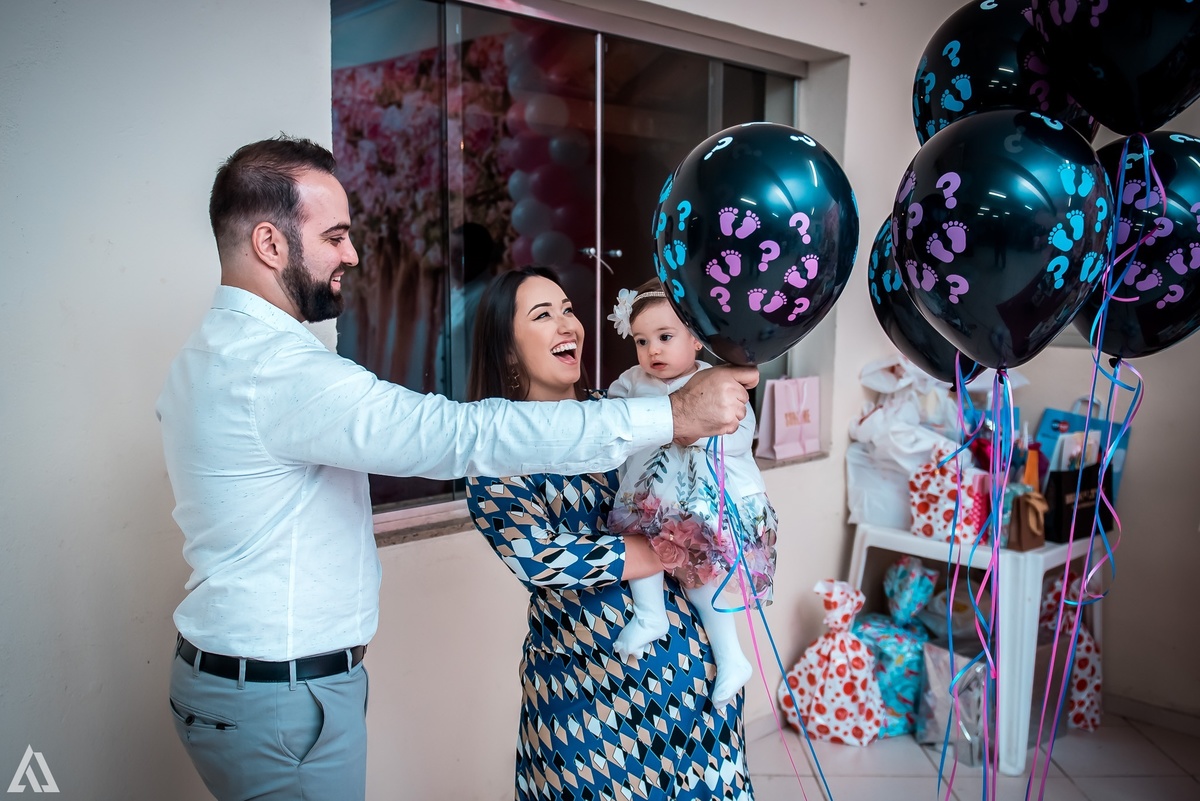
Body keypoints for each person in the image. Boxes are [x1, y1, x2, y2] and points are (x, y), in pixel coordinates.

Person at [155, 135, 757, 801]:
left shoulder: (214, 356)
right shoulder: (275, 371)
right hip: (294, 694)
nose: (352, 254)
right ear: (270, 244)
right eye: (335, 237)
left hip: (280, 685)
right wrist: (672, 427)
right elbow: (460, 439)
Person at [465, 266, 756, 800]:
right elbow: (542, 559)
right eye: (543, 315)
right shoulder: (493, 453)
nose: (567, 324)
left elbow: (705, 464)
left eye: (568, 310)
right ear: (507, 351)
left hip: (689, 674)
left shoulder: (624, 410)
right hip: (584, 696)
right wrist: (672, 547)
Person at [605, 280, 778, 706]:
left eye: (665, 337)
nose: (653, 350)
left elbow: (742, 433)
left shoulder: (715, 381)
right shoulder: (632, 381)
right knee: (636, 544)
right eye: (642, 341)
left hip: (702, 501)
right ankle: (651, 615)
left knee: (703, 576)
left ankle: (732, 655)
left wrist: (693, 430)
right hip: (649, 496)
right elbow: (611, 421)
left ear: (696, 339)